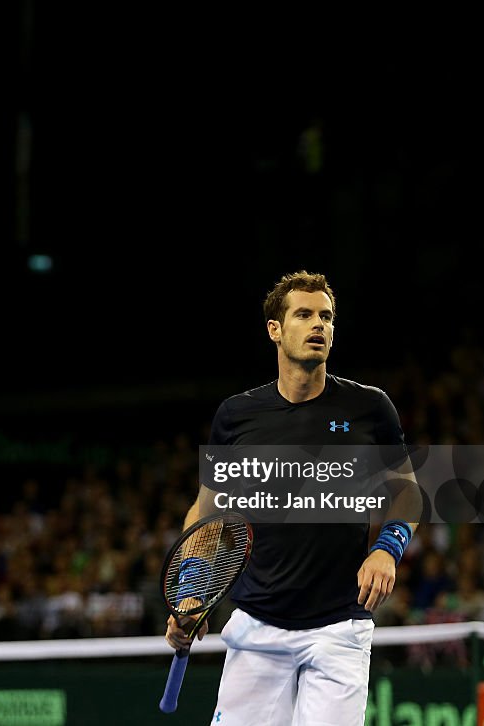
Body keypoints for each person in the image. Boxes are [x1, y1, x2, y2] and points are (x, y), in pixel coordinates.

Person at [166, 270, 421, 725]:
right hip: (258, 628)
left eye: (326, 316)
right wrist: (193, 591)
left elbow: (407, 493)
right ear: (275, 330)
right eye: (303, 314)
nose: (318, 324)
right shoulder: (237, 416)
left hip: (339, 630)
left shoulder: (370, 409)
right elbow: (209, 514)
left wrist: (387, 549)